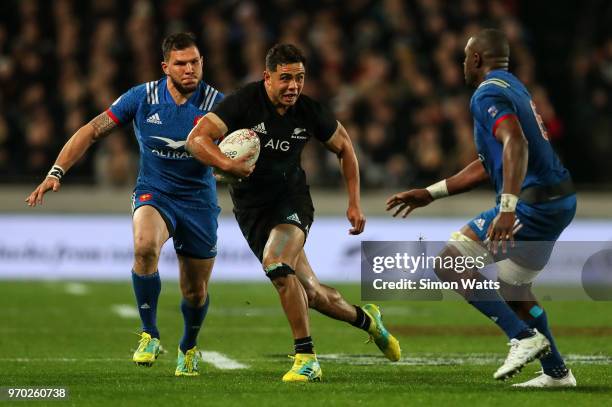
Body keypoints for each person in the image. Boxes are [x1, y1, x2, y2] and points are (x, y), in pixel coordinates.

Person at [25, 32, 250, 377]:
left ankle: (188, 346)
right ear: (166, 67)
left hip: (198, 201)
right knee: (144, 246)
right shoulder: (142, 97)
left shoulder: (218, 105)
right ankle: (150, 333)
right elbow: (92, 130)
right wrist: (57, 171)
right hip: (154, 191)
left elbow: (243, 148)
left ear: (202, 62)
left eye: (195, 62)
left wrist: (233, 167)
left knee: (195, 291)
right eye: (181, 64)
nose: (190, 69)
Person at [185, 44, 401, 383]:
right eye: (285, 78)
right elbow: (196, 140)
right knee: (311, 294)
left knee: (276, 262)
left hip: (292, 203)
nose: (293, 87)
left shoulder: (309, 111)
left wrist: (354, 202)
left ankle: (306, 357)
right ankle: (368, 320)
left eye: (300, 78)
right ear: (267, 78)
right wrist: (227, 164)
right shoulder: (243, 102)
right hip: (251, 211)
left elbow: (345, 147)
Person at [386, 29, 577, 387]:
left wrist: (507, 209)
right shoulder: (512, 87)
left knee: (448, 262)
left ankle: (520, 337)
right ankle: (557, 373)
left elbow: (515, 145)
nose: (462, 64)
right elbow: (491, 161)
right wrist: (431, 193)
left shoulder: (485, 93)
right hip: (558, 200)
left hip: (531, 204)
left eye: (463, 57)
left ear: (475, 59)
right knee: (513, 290)